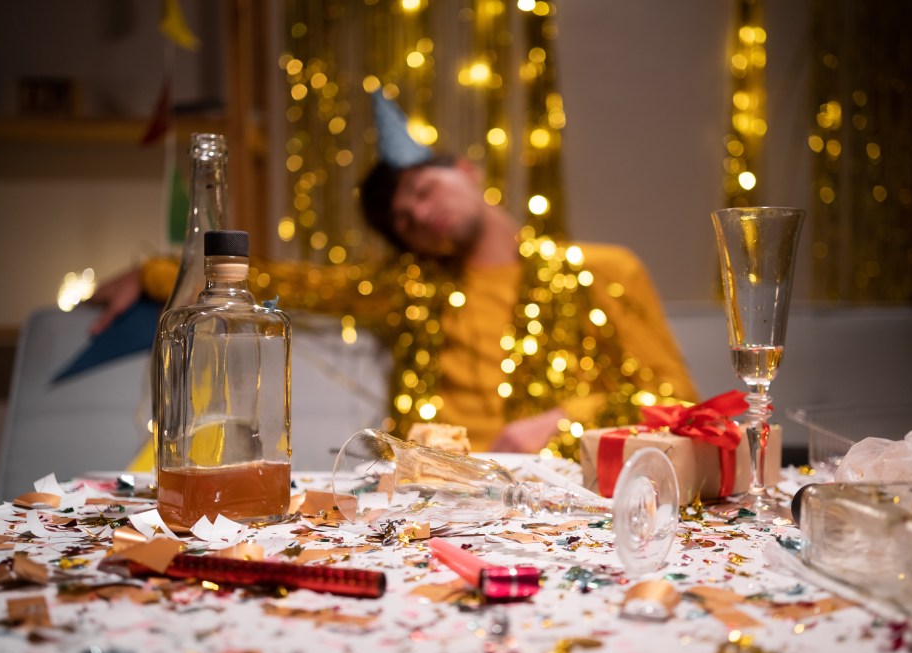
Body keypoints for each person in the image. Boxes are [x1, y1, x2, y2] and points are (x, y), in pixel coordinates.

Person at [91, 91, 699, 458]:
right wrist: (156, 272)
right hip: (431, 492)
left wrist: (562, 422)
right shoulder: (408, 287)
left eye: (422, 188)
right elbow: (301, 283)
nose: (419, 215)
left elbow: (676, 400)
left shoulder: (604, 270)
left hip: (559, 486)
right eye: (406, 221)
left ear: (464, 169)